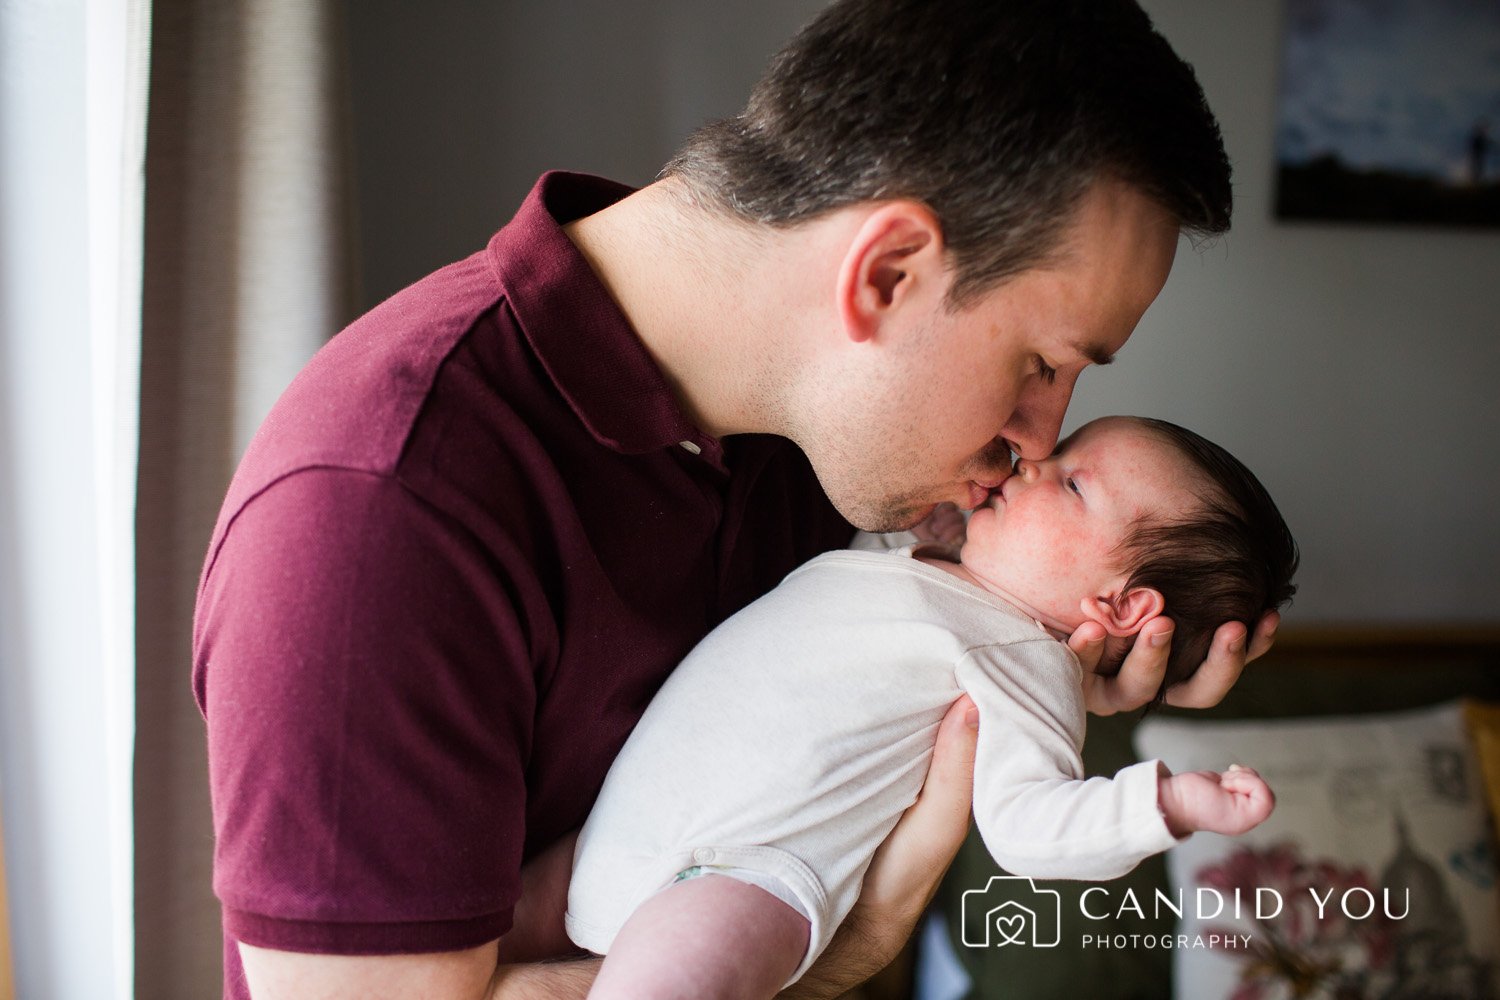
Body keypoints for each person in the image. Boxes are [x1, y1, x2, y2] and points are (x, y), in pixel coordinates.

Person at [192, 1, 1279, 998]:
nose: (1038, 437)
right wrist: (844, 947)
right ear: (888, 273)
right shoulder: (380, 511)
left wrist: (1048, 665)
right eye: (1042, 364)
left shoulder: (838, 454)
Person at [566, 416, 1299, 999]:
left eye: (1072, 484)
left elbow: (1027, 825)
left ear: (1120, 603)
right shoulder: (939, 570)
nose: (1033, 460)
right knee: (470, 956)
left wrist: (1161, 804)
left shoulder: (1029, 663)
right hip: (635, 819)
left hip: (746, 874)